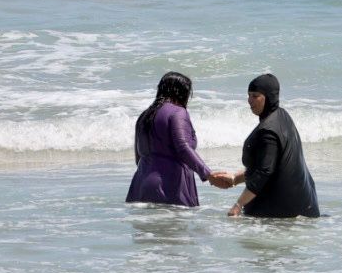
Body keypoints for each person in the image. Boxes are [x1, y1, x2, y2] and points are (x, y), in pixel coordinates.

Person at [125, 71, 233, 207]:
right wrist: (208, 174)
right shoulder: (178, 112)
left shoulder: (144, 115)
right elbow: (182, 147)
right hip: (169, 185)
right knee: (174, 228)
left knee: (148, 228)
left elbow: (138, 157)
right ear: (182, 93)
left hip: (140, 184)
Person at [227, 73, 320, 218]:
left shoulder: (268, 131)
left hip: (281, 213)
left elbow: (264, 172)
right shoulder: (282, 116)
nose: (249, 100)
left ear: (268, 97)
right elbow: (270, 165)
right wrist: (234, 179)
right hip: (302, 206)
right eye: (249, 95)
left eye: (255, 96)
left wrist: (238, 206)